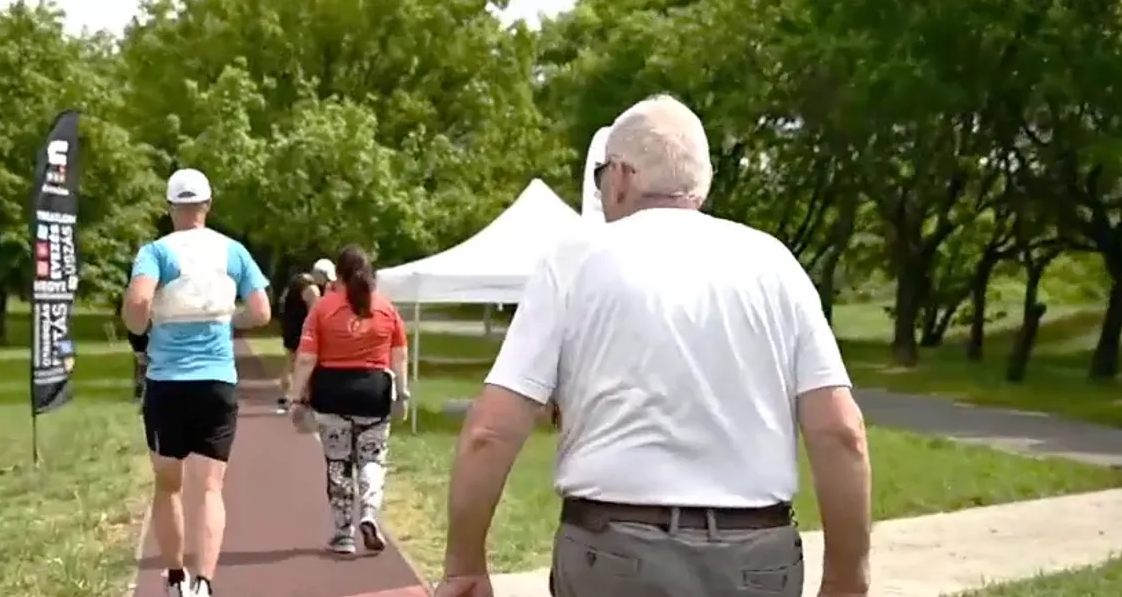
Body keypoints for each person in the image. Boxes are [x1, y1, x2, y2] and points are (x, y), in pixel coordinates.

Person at [434, 95, 872, 597]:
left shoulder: (574, 260)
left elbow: (490, 431)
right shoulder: (775, 264)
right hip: (757, 559)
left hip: (615, 554)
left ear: (620, 176)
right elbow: (841, 432)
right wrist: (846, 576)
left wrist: (465, 564)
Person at [121, 168, 272, 597]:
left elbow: (137, 303)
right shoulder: (233, 251)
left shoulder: (155, 252)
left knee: (168, 485)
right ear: (207, 205)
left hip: (167, 383)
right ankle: (204, 584)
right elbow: (261, 311)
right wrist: (228, 320)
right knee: (209, 488)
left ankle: (173, 579)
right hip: (216, 381)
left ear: (170, 208)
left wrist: (143, 327)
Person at [285, 244, 411, 555]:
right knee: (372, 458)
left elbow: (306, 358)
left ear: (338, 274)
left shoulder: (323, 309)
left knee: (338, 462)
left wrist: (296, 397)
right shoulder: (385, 308)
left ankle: (344, 534)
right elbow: (400, 355)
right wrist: (403, 392)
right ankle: (369, 512)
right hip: (374, 393)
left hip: (332, 394)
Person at [276, 258, 335, 413]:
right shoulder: (312, 289)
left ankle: (287, 396)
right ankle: (297, 397)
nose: (326, 283)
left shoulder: (297, 281)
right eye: (326, 279)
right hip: (301, 330)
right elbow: (315, 313)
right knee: (302, 364)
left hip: (289, 326)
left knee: (289, 363)